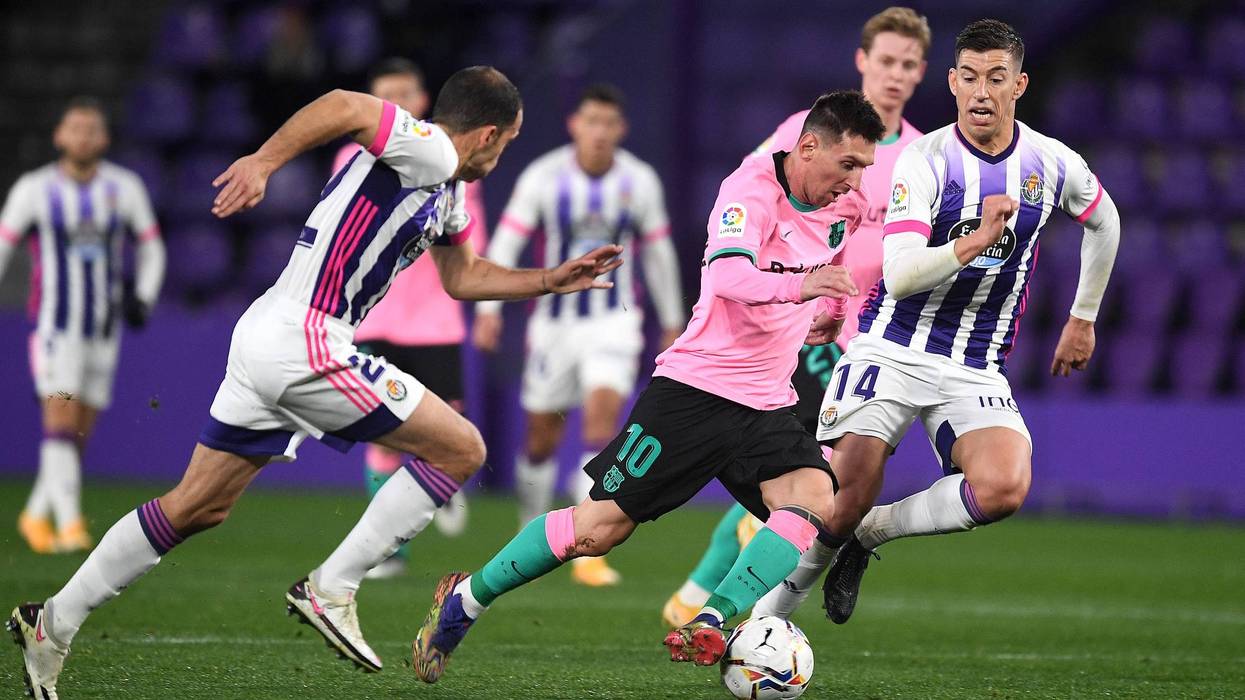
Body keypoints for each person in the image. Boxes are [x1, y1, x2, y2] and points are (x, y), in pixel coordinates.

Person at [8, 66, 624, 700]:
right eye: (509, 140)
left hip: (269, 334)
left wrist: (548, 280)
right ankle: (333, 587)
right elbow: (344, 105)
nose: (504, 154)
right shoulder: (430, 148)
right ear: (490, 133)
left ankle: (51, 623)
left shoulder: (448, 191)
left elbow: (463, 276)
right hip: (307, 338)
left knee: (197, 506)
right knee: (461, 449)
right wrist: (263, 162)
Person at [412, 91, 885, 685]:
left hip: (767, 400)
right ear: (809, 147)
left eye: (864, 167)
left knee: (814, 499)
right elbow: (727, 275)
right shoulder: (749, 191)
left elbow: (835, 261)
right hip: (695, 392)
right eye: (848, 164)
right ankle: (464, 601)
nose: (856, 181)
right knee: (596, 531)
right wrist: (803, 288)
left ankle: (712, 617)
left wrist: (833, 311)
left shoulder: (847, 205)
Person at [760, 18, 1121, 625]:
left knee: (1004, 488)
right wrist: (976, 240)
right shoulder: (925, 161)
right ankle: (765, 621)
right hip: (890, 348)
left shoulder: (1052, 161)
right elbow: (901, 275)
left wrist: (1082, 317)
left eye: (996, 79)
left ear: (1019, 85)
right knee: (841, 499)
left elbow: (1105, 221)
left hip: (974, 362)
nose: (982, 92)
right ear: (952, 82)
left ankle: (873, 533)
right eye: (970, 77)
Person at [662, 6, 930, 627]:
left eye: (908, 64)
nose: (895, 74)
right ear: (862, 61)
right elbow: (751, 194)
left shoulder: (922, 156)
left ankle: (707, 595)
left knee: (823, 477)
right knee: (804, 472)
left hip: (871, 336)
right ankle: (716, 598)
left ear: (922, 73)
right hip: (805, 327)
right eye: (886, 60)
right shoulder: (801, 132)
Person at [472, 83, 685, 587]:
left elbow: (657, 253)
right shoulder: (544, 176)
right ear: (575, 125)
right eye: (591, 122)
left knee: (601, 424)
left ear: (621, 129)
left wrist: (673, 320)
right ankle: (530, 528)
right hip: (554, 325)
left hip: (614, 323)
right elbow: (508, 240)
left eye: (608, 123)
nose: (599, 132)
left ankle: (585, 545)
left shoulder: (639, 180)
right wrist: (488, 308)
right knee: (539, 440)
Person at [334, 57, 487, 578]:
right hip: (375, 318)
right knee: (383, 432)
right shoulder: (350, 158)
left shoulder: (454, 161)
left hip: (436, 320)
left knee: (447, 429)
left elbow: (471, 244)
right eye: (386, 95)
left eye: (404, 93)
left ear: (422, 101)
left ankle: (439, 484)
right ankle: (389, 553)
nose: (395, 104)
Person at [0, 97, 166, 555]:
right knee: (60, 419)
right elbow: (4, 243)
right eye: (75, 128)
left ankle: (36, 514)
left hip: (103, 332)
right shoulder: (34, 189)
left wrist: (144, 296)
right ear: (59, 136)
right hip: (56, 332)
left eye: (92, 129)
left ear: (104, 138)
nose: (83, 137)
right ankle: (71, 526)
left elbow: (152, 246)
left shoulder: (123, 188)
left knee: (77, 433)